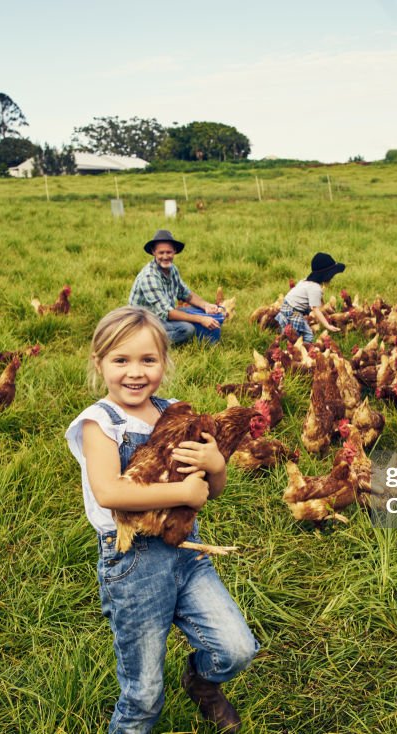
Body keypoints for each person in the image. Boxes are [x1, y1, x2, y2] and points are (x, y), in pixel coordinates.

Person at [65, 306, 257, 734]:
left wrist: (215, 464)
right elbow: (111, 493)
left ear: (165, 363)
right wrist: (184, 493)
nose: (135, 373)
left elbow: (213, 488)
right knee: (144, 694)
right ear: (99, 364)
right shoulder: (101, 424)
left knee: (237, 648)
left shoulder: (176, 412)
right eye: (121, 360)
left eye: (148, 360)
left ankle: (202, 682)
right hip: (134, 563)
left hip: (187, 553)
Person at [128, 229, 224, 345]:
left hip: (161, 316)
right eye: (161, 253)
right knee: (187, 329)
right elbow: (168, 313)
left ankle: (199, 337)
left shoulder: (172, 269)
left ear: (174, 252)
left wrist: (206, 306)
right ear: (154, 252)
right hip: (143, 321)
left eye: (169, 252)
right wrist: (201, 319)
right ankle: (145, 340)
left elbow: (186, 294)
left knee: (195, 311)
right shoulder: (149, 277)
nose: (165, 256)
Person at [275, 251, 346, 343]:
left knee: (292, 331)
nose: (332, 277)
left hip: (286, 306)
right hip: (293, 310)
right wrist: (327, 325)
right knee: (307, 335)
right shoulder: (315, 288)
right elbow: (315, 309)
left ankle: (287, 337)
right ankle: (303, 350)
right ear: (326, 275)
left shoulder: (305, 281)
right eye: (331, 274)